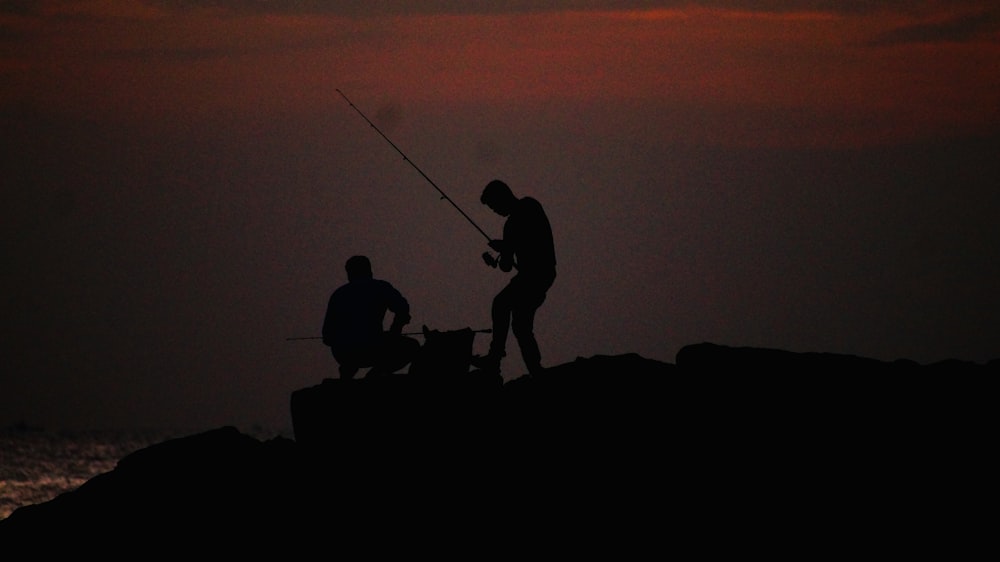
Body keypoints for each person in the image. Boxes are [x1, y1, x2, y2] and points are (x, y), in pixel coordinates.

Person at [471, 179, 556, 376]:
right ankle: (534, 369)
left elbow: (522, 243)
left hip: (537, 274)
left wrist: (505, 247)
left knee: (501, 304)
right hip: (538, 275)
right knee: (520, 324)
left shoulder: (526, 209)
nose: (495, 211)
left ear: (502, 197)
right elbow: (506, 265)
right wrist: (500, 254)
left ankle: (495, 358)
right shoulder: (523, 212)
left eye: (494, 206)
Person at [322, 255, 420, 379]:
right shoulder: (380, 287)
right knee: (411, 347)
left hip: (344, 353)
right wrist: (395, 331)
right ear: (369, 271)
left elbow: (327, 337)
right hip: (373, 348)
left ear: (349, 273)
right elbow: (402, 308)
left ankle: (349, 373)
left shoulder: (338, 294)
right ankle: (376, 374)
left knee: (351, 350)